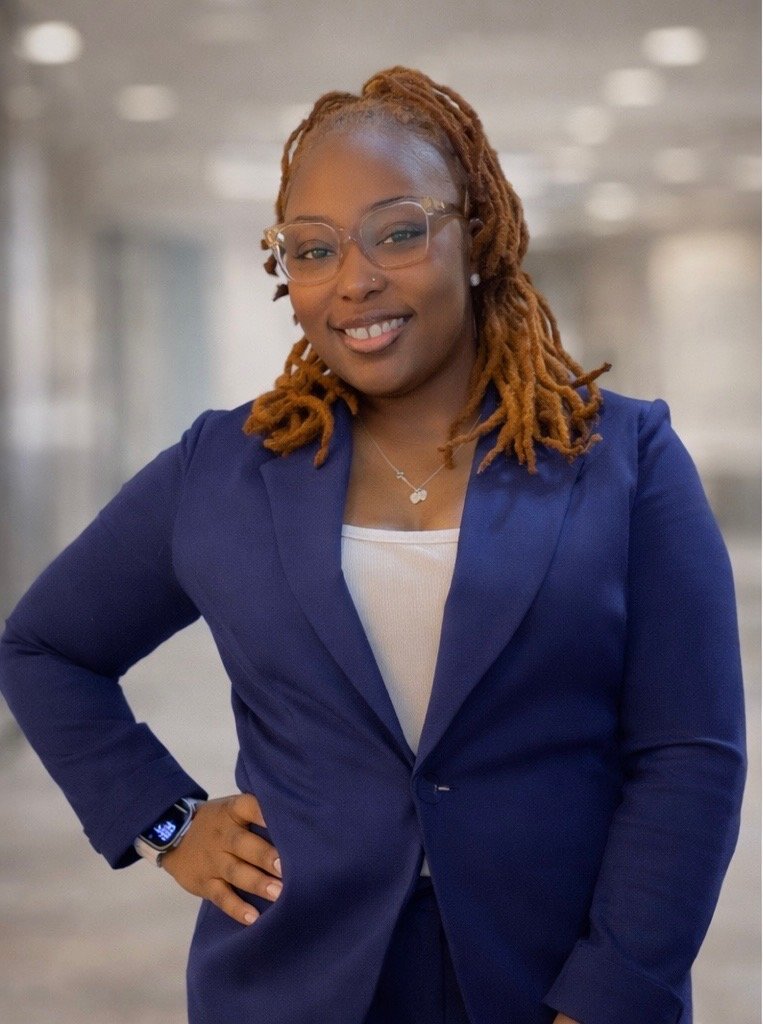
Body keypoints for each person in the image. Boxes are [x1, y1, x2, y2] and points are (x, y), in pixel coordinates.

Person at [0, 66, 747, 1024]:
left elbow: (688, 756)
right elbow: (45, 648)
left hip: (552, 977)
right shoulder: (223, 469)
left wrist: (612, 994)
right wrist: (169, 819)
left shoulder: (623, 457)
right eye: (310, 250)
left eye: (397, 232)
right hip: (291, 981)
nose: (354, 280)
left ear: (473, 236)